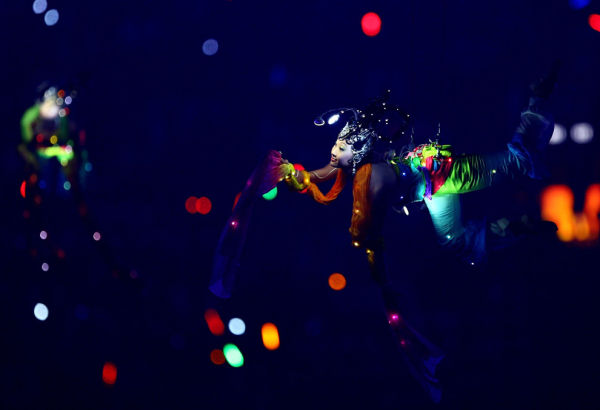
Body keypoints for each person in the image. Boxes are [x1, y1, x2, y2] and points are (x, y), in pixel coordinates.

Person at [210, 67, 558, 402]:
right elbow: (321, 174)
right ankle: (516, 227)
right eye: (337, 145)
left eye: (341, 148)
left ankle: (536, 101)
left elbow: (370, 235)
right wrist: (288, 171)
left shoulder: (369, 179)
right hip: (432, 192)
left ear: (358, 151)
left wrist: (383, 282)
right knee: (454, 243)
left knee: (516, 162)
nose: (335, 152)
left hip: (446, 176)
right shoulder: (359, 166)